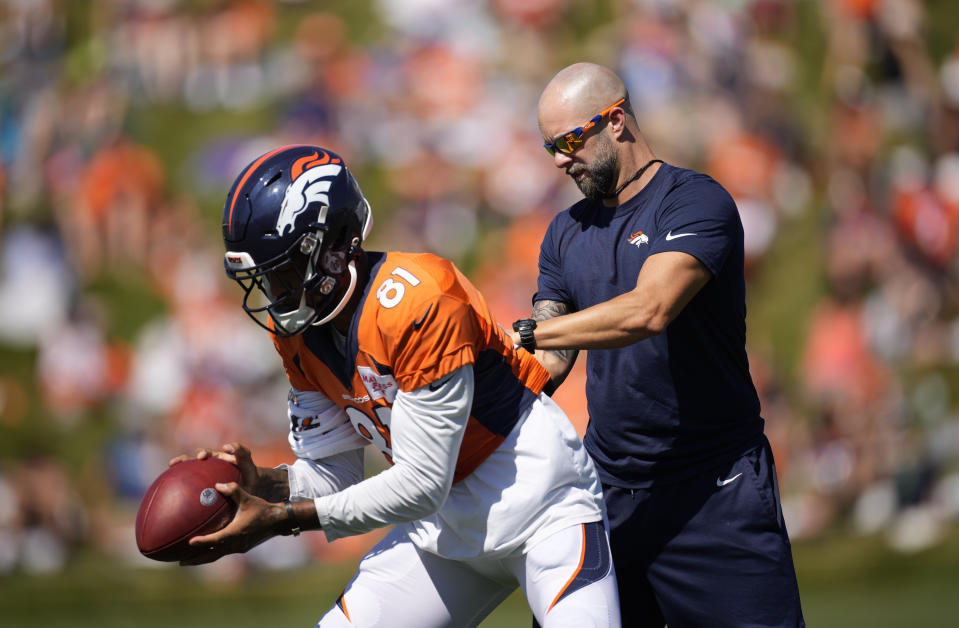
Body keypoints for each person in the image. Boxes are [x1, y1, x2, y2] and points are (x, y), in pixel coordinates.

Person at [172, 144, 620, 628]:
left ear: (332, 245)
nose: (275, 295)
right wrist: (262, 484)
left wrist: (285, 520)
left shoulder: (419, 300)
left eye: (281, 272)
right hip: (442, 533)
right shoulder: (300, 335)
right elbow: (333, 477)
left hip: (540, 506)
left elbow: (423, 483)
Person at [508, 63, 805, 627]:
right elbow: (550, 362)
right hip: (608, 495)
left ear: (616, 121)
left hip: (715, 492)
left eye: (569, 141)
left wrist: (523, 332)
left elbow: (650, 310)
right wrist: (478, 391)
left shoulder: (695, 202)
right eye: (549, 146)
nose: (557, 161)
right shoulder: (563, 233)